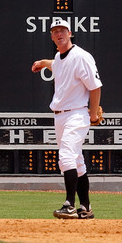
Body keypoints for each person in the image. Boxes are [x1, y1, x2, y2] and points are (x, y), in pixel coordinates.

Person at [30, 17, 102, 220]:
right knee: (77, 162)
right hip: (61, 116)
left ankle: (69, 204)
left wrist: (93, 112)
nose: (59, 34)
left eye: (63, 30)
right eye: (55, 31)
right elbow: (58, 65)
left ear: (70, 33)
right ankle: (85, 207)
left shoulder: (81, 56)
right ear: (51, 36)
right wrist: (44, 63)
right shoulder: (60, 57)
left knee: (66, 157)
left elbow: (95, 86)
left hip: (77, 114)